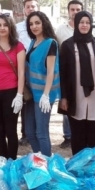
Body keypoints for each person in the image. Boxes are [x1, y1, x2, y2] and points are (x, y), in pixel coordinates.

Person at [58, 11, 95, 159]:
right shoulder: (68, 45)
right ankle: (79, 168)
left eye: (87, 22)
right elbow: (63, 74)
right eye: (81, 22)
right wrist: (63, 97)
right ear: (76, 24)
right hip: (75, 95)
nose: (84, 25)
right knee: (78, 135)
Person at [0, 14, 25, 160]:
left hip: (11, 92)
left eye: (5, 25)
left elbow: (21, 72)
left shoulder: (18, 46)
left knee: (11, 129)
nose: (2, 28)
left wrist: (19, 95)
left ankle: (12, 161)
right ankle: (3, 159)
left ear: (10, 27)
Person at [24, 11, 60, 156]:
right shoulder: (33, 42)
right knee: (29, 132)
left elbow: (51, 71)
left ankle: (47, 165)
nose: (34, 26)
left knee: (41, 132)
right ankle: (39, 160)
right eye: (31, 24)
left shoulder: (50, 43)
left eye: (37, 23)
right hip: (31, 94)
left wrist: (46, 95)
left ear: (44, 23)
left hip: (44, 95)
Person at [55, 0, 85, 149]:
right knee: (66, 104)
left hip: (84, 73)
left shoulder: (86, 27)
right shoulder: (60, 30)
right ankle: (68, 136)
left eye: (78, 9)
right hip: (66, 72)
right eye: (72, 9)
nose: (75, 12)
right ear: (68, 11)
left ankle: (81, 134)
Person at [16, 0, 39, 146]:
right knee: (25, 101)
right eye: (28, 7)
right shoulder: (18, 27)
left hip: (38, 69)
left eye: (33, 6)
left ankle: (38, 132)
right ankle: (25, 133)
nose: (30, 9)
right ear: (24, 10)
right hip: (22, 68)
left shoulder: (43, 26)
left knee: (37, 102)